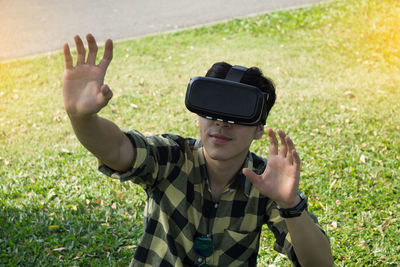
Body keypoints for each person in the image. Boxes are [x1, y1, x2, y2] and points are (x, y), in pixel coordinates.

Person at [62, 34, 333, 267]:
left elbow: (320, 264)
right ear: (198, 116)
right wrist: (81, 118)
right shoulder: (171, 157)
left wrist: (290, 205)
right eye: (212, 108)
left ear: (259, 129)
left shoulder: (266, 182)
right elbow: (118, 148)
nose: (222, 122)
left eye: (238, 113)